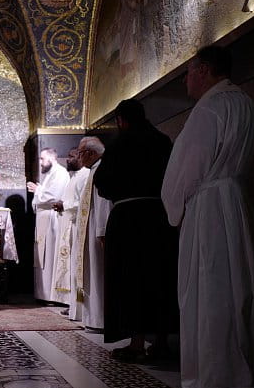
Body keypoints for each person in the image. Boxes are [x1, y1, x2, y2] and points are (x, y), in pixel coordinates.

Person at [162, 45, 254, 388]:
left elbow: (186, 167)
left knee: (208, 292)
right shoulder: (246, 103)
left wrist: (173, 208)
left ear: (204, 70)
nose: (186, 80)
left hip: (208, 209)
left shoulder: (209, 107)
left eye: (189, 72)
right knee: (240, 289)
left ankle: (215, 380)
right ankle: (243, 377)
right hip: (236, 202)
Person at [94, 99, 178, 362]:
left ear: (121, 120)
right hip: (159, 216)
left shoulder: (120, 143)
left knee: (131, 279)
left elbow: (103, 183)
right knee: (160, 277)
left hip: (127, 218)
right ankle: (162, 341)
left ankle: (137, 343)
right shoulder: (162, 141)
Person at [74, 137, 111, 330]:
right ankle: (93, 318)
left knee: (97, 274)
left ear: (91, 153)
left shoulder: (101, 170)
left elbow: (104, 203)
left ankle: (100, 319)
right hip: (91, 231)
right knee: (92, 273)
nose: (78, 157)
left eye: (80, 152)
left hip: (98, 233)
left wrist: (102, 231)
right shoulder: (93, 170)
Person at [27, 148, 70, 303]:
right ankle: (43, 294)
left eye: (42, 159)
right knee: (42, 256)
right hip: (43, 218)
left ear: (52, 159)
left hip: (52, 219)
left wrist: (37, 190)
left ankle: (52, 295)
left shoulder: (60, 173)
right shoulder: (50, 174)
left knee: (50, 256)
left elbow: (54, 196)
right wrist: (39, 191)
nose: (40, 162)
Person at [49, 149, 90, 308]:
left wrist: (63, 204)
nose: (67, 159)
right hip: (68, 225)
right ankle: (72, 304)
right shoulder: (75, 176)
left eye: (71, 156)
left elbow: (83, 202)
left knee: (75, 267)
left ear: (80, 157)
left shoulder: (86, 175)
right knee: (70, 268)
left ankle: (77, 305)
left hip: (76, 226)